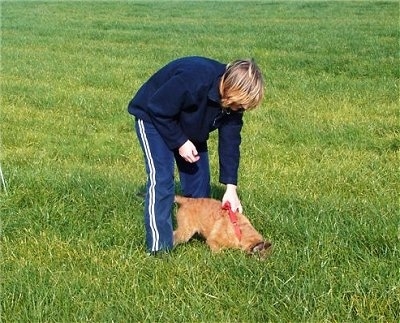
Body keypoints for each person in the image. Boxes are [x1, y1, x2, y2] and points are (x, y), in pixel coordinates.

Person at [128, 56, 264, 254]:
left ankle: (196, 235)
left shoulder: (232, 103)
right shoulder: (194, 78)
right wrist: (180, 141)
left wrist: (231, 188)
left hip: (190, 125)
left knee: (200, 186)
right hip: (153, 118)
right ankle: (159, 248)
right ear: (229, 88)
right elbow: (157, 107)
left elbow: (230, 143)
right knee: (162, 179)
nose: (239, 110)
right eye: (238, 105)